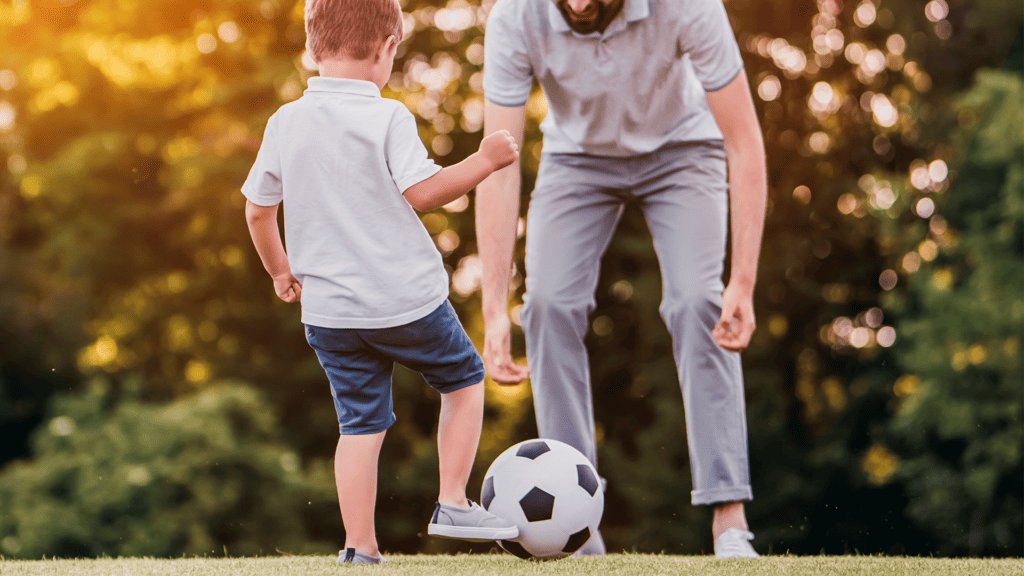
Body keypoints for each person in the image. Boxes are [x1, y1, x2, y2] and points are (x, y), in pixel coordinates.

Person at [477, 0, 767, 559]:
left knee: (696, 303)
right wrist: (493, 307)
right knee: (546, 306)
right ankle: (578, 536)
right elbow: (500, 164)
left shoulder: (688, 7)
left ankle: (730, 523)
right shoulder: (515, 17)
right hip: (577, 160)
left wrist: (744, 280)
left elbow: (744, 142)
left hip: (683, 152)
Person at [241, 0, 521, 565]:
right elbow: (424, 193)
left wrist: (280, 271)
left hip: (331, 316)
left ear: (312, 47)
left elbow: (257, 210)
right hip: (405, 303)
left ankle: (359, 548)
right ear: (387, 48)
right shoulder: (387, 116)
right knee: (465, 378)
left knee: (360, 427)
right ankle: (453, 502)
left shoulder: (284, 122)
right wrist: (485, 160)